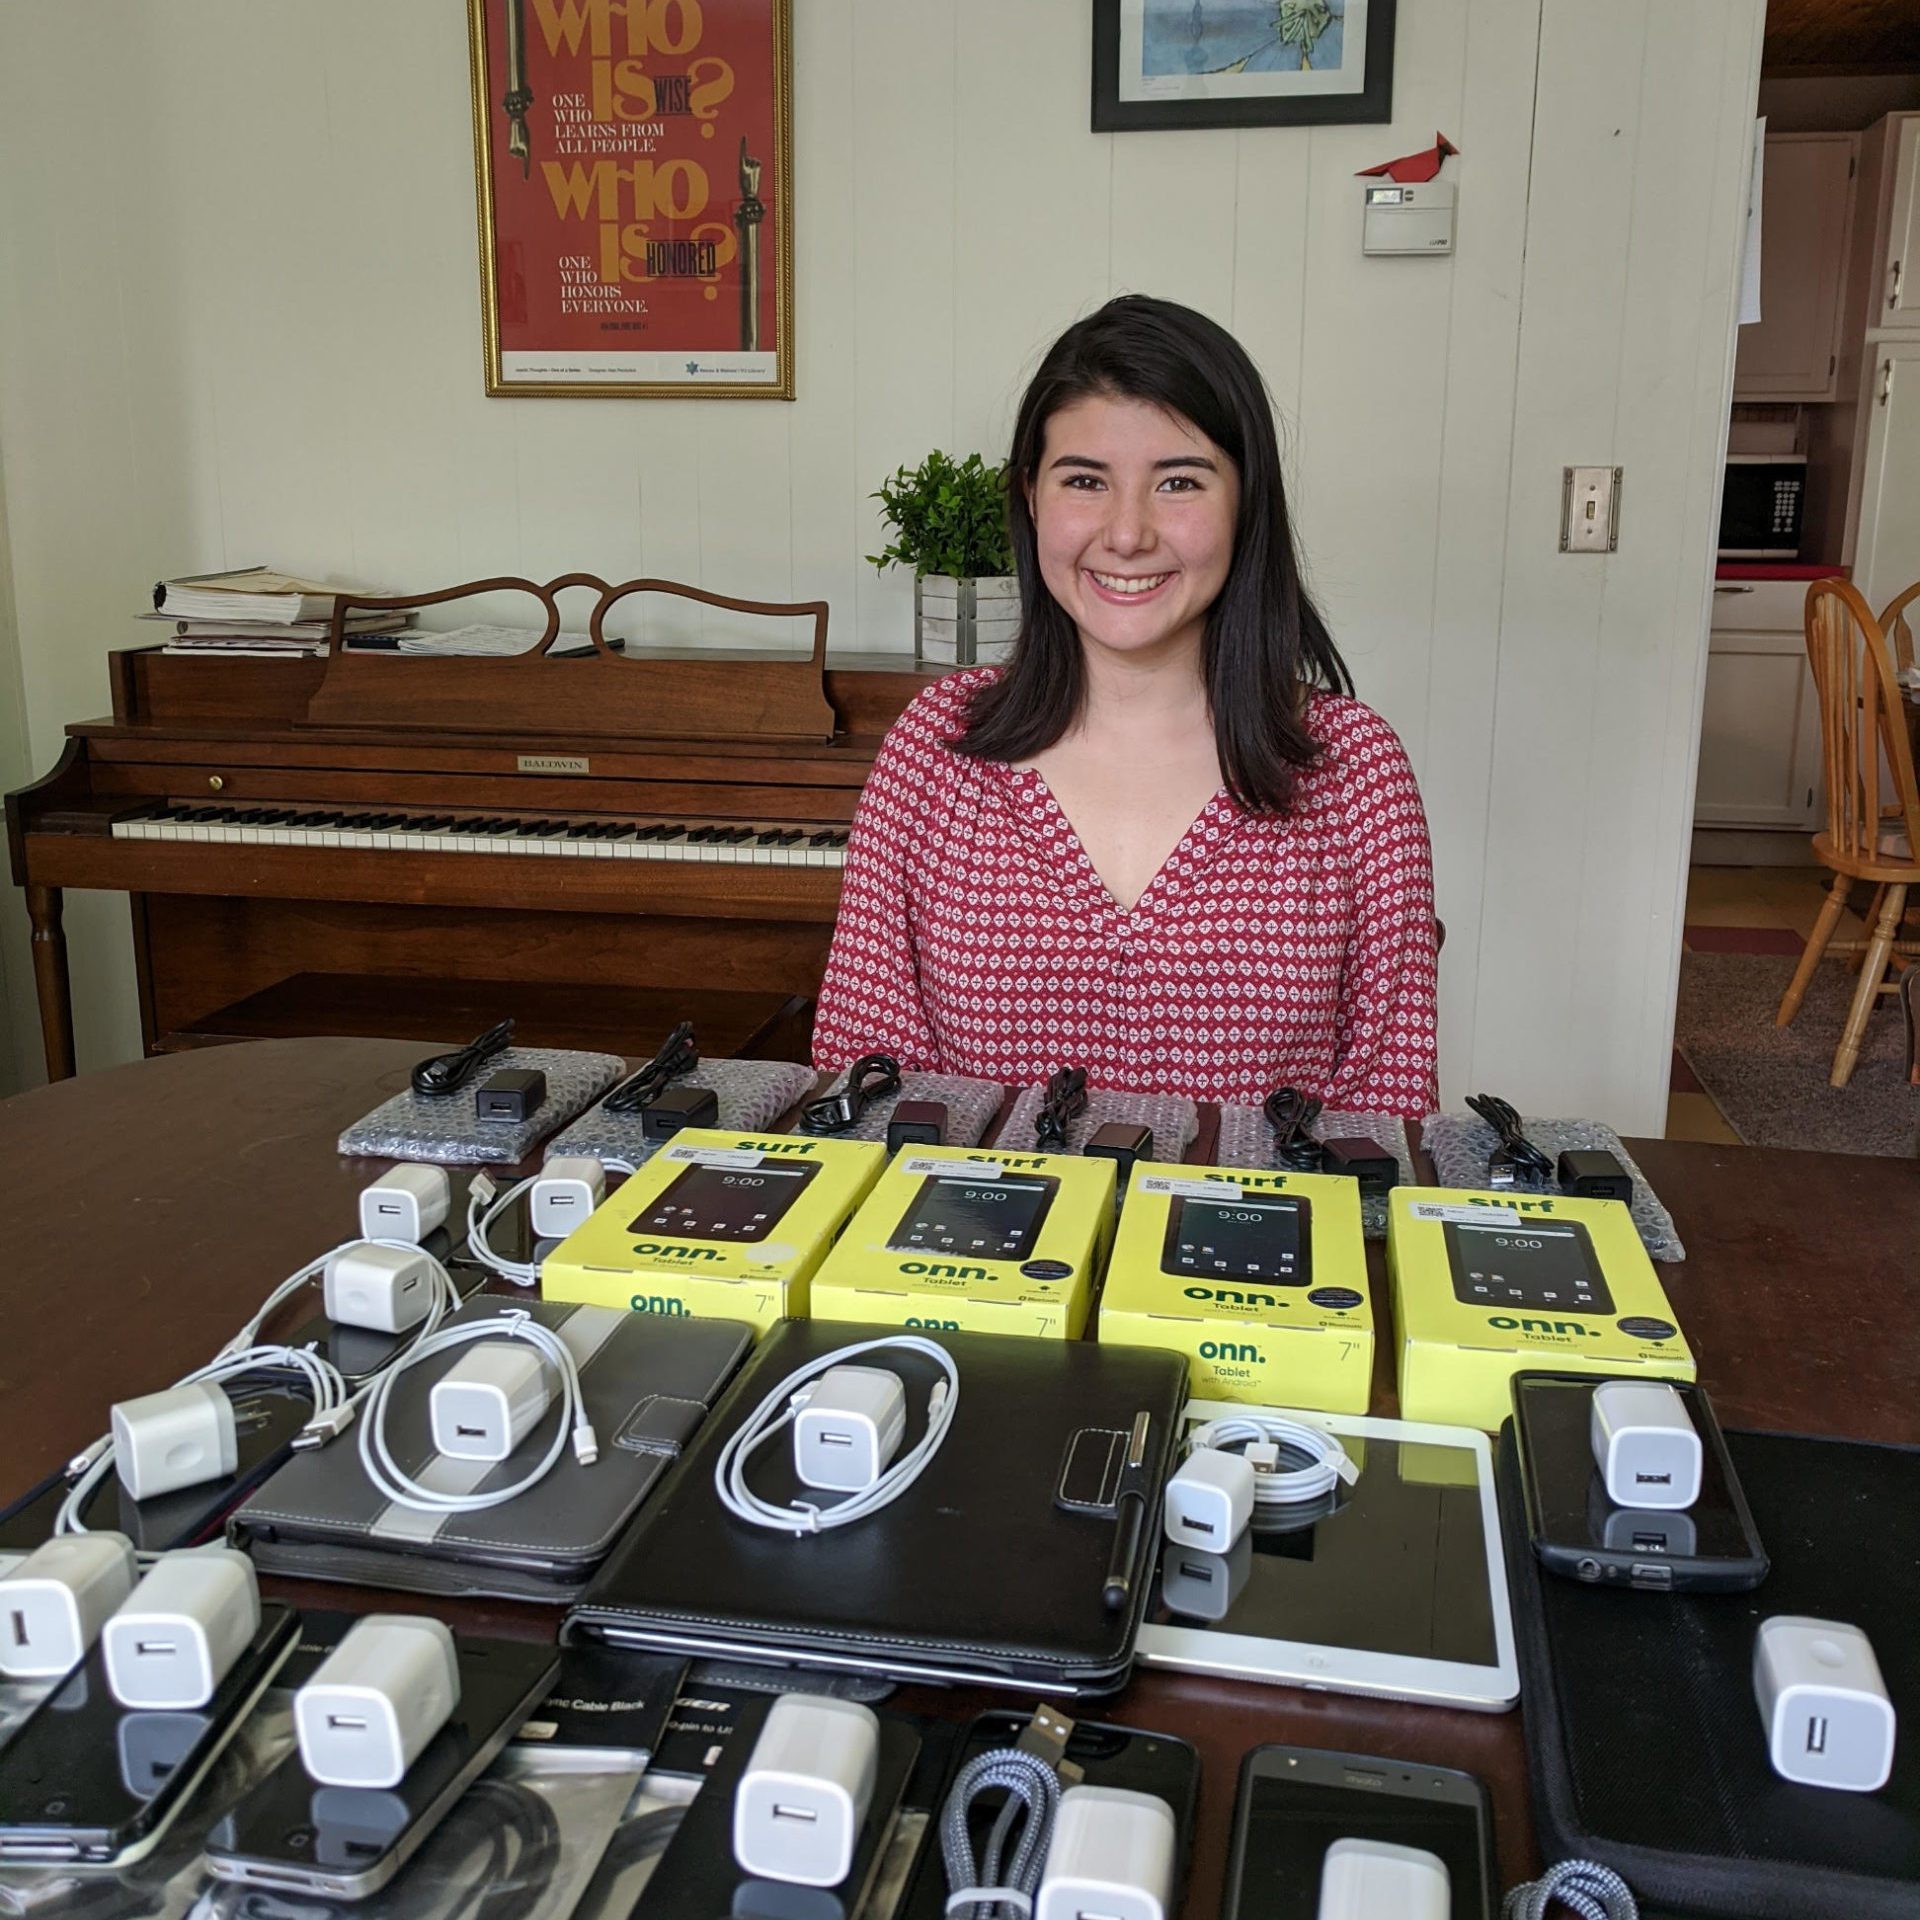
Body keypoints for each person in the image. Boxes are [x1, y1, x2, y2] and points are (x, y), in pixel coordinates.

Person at [813, 295, 1438, 1114]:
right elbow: (868, 1078)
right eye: (1085, 481)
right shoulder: (937, 746)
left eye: (1178, 481)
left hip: (1245, 1241)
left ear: (1246, 503)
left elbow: (1385, 1115)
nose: (1128, 533)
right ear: (1031, 496)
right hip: (977, 1237)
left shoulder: (1353, 766)